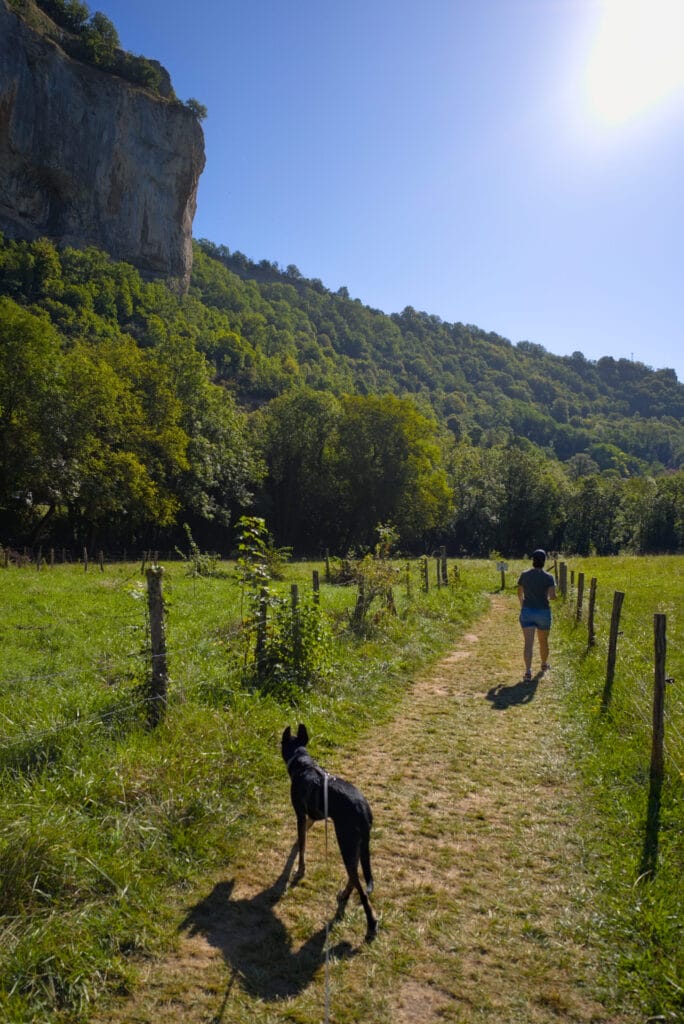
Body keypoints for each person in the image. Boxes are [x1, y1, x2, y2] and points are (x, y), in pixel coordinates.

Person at [517, 549, 556, 680]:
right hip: (543, 612)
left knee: (528, 643)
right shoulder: (549, 577)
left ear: (533, 560)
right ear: (544, 561)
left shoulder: (524, 575)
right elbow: (552, 596)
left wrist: (523, 606)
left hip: (527, 611)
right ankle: (544, 664)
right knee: (543, 641)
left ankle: (528, 671)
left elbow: (519, 593)